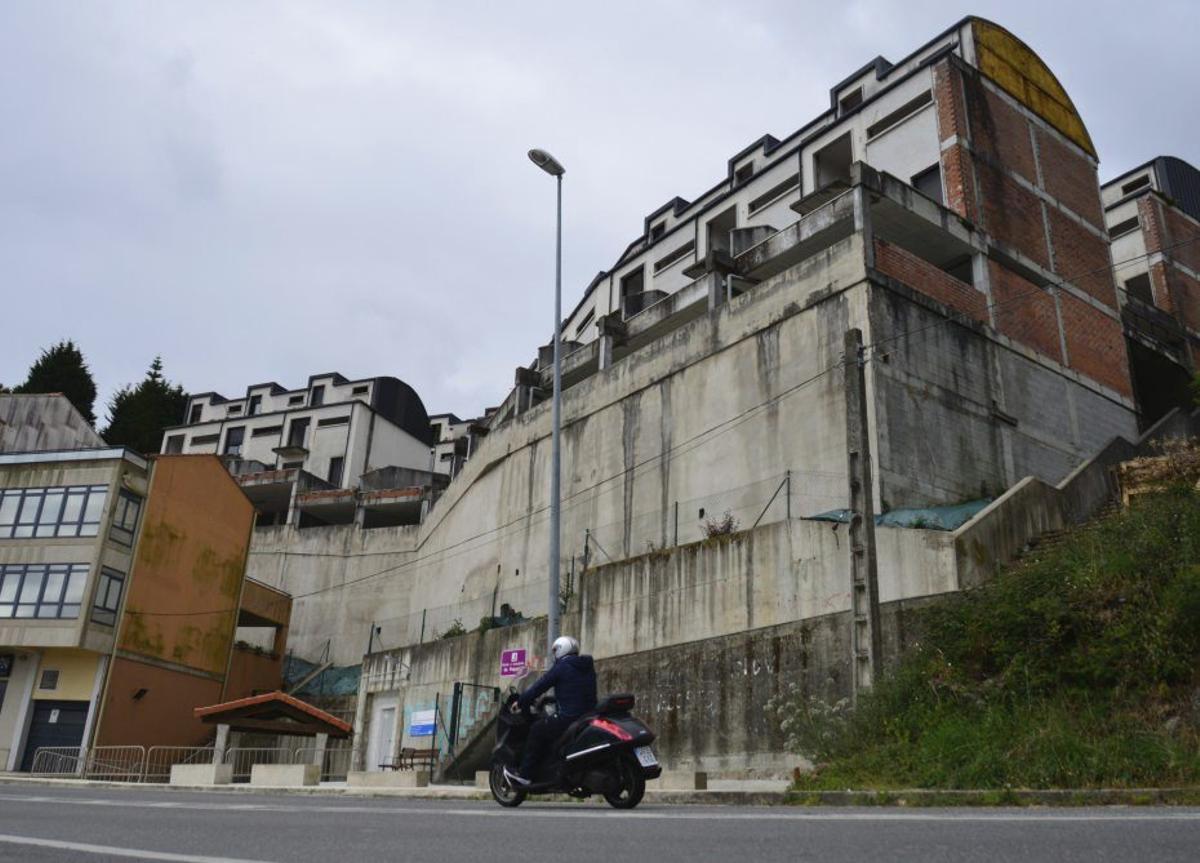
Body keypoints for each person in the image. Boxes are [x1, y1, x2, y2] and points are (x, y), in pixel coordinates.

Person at [504, 635, 597, 786]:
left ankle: (525, 776)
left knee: (537, 729)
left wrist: (520, 702)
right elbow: (575, 691)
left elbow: (539, 686)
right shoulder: (586, 666)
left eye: (555, 651)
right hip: (588, 716)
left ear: (561, 650)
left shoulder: (561, 667)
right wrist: (553, 699)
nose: (554, 655)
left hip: (569, 718)